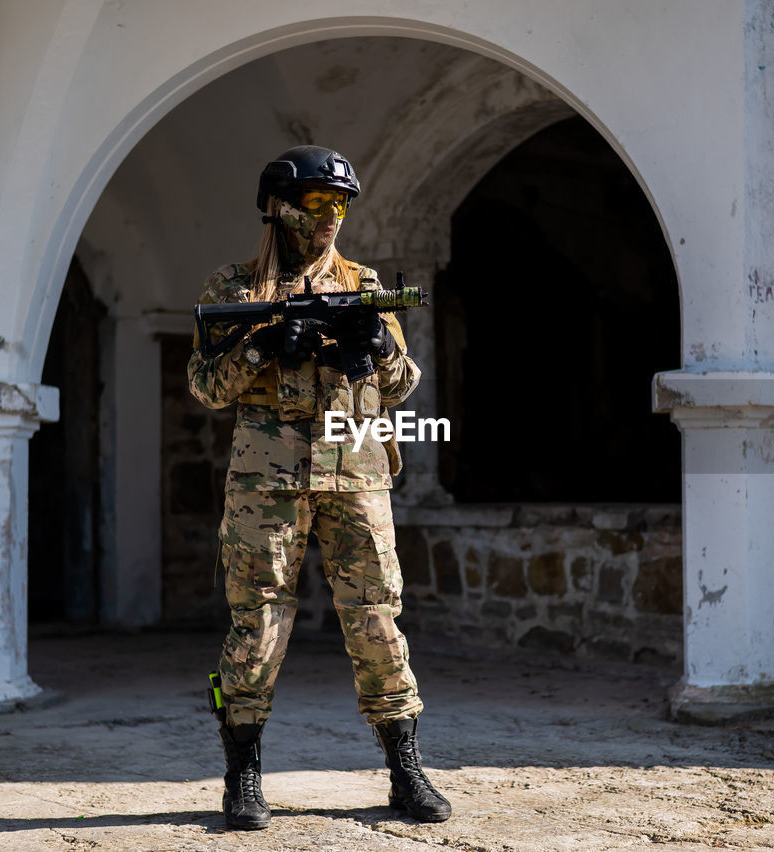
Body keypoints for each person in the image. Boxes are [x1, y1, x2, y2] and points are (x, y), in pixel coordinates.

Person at [187, 145, 452, 829]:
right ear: (278, 209)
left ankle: (405, 767)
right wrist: (264, 343)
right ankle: (241, 774)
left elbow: (404, 385)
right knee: (260, 619)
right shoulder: (236, 290)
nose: (331, 217)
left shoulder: (363, 283)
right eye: (316, 204)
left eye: (340, 205)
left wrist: (377, 344)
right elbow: (206, 387)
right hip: (265, 482)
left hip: (356, 471)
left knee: (376, 618)